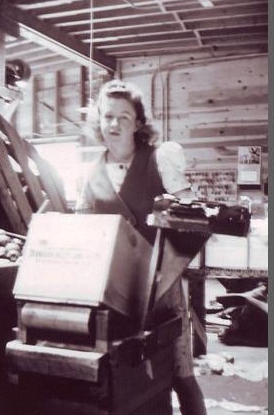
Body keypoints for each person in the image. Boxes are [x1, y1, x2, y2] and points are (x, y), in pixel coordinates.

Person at [76, 79, 207, 415]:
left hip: (162, 289)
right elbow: (83, 234)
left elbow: (194, 217)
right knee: (131, 376)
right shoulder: (89, 176)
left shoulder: (160, 160)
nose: (114, 124)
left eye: (124, 116)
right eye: (108, 116)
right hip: (116, 294)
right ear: (98, 122)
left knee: (181, 376)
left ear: (138, 123)